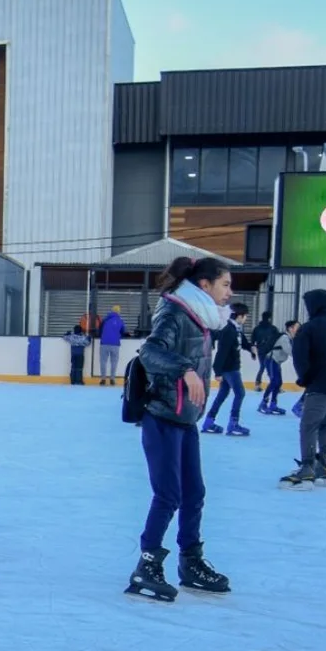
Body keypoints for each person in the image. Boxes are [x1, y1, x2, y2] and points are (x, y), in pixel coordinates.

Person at [126, 256, 233, 602]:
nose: (229, 292)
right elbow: (150, 353)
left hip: (186, 421)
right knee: (168, 494)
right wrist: (185, 369)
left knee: (194, 494)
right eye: (225, 284)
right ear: (205, 285)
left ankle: (191, 562)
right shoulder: (175, 312)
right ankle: (147, 564)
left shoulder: (201, 318)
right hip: (162, 418)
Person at [280, 289, 326, 491]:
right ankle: (324, 467)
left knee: (309, 425)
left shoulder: (309, 328)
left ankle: (307, 468)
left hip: (321, 384)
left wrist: (305, 379)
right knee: (324, 425)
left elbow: (300, 357)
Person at [201, 302, 253, 436]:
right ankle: (233, 424)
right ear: (240, 316)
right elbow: (221, 352)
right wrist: (217, 371)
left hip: (231, 367)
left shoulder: (236, 329)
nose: (246, 318)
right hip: (230, 369)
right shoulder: (228, 331)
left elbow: (243, 342)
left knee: (222, 394)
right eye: (245, 316)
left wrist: (251, 348)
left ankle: (208, 422)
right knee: (240, 393)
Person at [259, 320, 298, 415]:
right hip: (272, 360)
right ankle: (263, 404)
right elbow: (290, 351)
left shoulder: (290, 338)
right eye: (297, 327)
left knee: (278, 382)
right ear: (290, 328)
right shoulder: (285, 338)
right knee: (274, 381)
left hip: (276, 362)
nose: (299, 329)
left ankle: (273, 404)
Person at [251, 311, 280, 393]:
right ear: (270, 318)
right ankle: (274, 385)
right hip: (269, 351)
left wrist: (253, 353)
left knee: (263, 367)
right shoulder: (273, 328)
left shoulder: (257, 329)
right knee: (271, 367)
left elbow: (253, 342)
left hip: (263, 350)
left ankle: (258, 385)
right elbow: (278, 339)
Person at [98, 305, 125, 385]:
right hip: (115, 344)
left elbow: (100, 329)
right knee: (114, 362)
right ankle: (112, 379)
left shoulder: (105, 319)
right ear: (119, 311)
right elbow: (123, 331)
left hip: (104, 343)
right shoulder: (120, 320)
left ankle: (103, 379)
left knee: (103, 361)